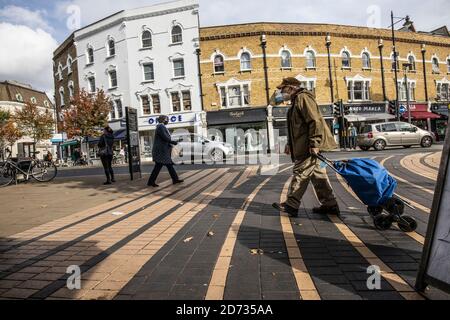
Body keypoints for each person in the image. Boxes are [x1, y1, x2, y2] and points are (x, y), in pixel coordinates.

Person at [272, 77, 340, 217]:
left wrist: (315, 143)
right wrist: (289, 144)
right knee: (318, 175)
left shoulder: (303, 98)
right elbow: (296, 128)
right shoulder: (295, 101)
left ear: (291, 88)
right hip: (303, 145)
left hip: (308, 147)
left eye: (283, 89)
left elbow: (314, 121)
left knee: (301, 173)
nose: (281, 92)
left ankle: (292, 204)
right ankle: (330, 204)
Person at [147, 115, 184, 187]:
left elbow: (166, 138)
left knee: (166, 165)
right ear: (163, 120)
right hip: (161, 151)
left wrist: (175, 141)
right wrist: (174, 142)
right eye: (167, 119)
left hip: (163, 151)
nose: (168, 121)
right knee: (161, 166)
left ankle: (174, 179)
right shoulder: (160, 127)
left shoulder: (161, 127)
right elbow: (165, 138)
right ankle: (151, 182)